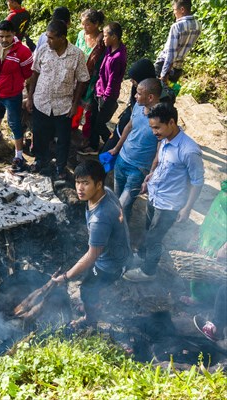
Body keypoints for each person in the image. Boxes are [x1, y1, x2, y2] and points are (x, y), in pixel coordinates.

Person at [123, 103, 204, 282]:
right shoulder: (164, 139)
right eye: (152, 127)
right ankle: (143, 256)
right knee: (148, 230)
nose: (154, 132)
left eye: (157, 127)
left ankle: (148, 272)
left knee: (154, 238)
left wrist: (187, 208)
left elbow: (198, 182)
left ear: (172, 122)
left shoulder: (189, 151)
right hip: (154, 196)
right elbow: (161, 163)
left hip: (169, 204)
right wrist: (150, 177)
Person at [51, 159, 131, 327]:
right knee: (90, 283)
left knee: (86, 289)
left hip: (110, 265)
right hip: (118, 252)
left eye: (85, 183)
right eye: (78, 182)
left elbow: (91, 257)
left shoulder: (99, 219)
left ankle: (90, 320)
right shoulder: (107, 192)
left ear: (98, 184)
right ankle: (93, 303)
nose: (79, 188)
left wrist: (66, 277)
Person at [26, 19, 89, 179]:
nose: (48, 41)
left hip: (64, 106)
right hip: (42, 102)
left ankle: (60, 167)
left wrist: (75, 104)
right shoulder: (43, 50)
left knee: (63, 139)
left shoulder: (76, 55)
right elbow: (35, 73)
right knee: (40, 135)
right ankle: (41, 160)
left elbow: (82, 80)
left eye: (51, 38)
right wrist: (30, 97)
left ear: (62, 38)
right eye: (47, 37)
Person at [108, 78, 162, 222]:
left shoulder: (161, 118)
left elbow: (159, 149)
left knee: (123, 205)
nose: (135, 96)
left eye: (138, 93)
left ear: (150, 97)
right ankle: (119, 227)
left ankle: (120, 236)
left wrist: (151, 174)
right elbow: (129, 127)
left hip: (138, 170)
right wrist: (116, 148)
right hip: (122, 160)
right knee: (116, 200)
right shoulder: (138, 107)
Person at [0, 20, 33, 173]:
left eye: (8, 36)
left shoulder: (23, 52)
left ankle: (19, 155)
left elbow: (28, 74)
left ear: (14, 35)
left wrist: (23, 90)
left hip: (12, 93)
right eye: (1, 36)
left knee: (14, 122)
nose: (4, 40)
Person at [79, 22, 127, 155]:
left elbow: (113, 81)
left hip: (106, 96)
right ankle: (93, 146)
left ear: (115, 37)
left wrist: (105, 98)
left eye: (106, 36)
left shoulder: (118, 57)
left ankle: (111, 144)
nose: (103, 38)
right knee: (93, 119)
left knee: (99, 124)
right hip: (98, 90)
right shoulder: (109, 49)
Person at [72, 9, 105, 143]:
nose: (83, 27)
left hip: (93, 79)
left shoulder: (102, 40)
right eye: (82, 24)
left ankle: (87, 136)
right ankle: (73, 126)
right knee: (75, 101)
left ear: (96, 24)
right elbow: (75, 51)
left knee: (89, 108)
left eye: (87, 25)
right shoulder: (81, 35)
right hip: (78, 74)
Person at [155, 0, 201, 84]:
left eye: (174, 10)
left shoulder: (177, 26)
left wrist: (163, 74)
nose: (174, 13)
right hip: (178, 68)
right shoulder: (198, 25)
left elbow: (171, 53)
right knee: (169, 95)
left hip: (164, 65)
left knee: (153, 93)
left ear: (182, 9)